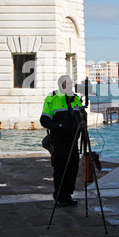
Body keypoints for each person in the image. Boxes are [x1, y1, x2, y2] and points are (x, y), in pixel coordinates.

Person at [40, 75, 83, 207]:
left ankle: (68, 194)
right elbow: (44, 120)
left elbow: (81, 116)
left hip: (73, 141)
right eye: (67, 83)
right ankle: (59, 195)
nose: (70, 85)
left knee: (72, 168)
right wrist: (58, 127)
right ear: (60, 85)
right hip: (59, 142)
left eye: (71, 83)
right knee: (60, 169)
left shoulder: (76, 98)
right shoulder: (52, 99)